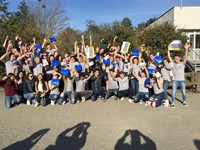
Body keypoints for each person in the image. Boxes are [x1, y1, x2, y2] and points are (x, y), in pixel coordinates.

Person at [168, 42, 189, 108]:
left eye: (177, 58)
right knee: (173, 92)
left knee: (183, 92)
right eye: (175, 58)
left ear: (180, 58)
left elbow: (186, 57)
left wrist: (186, 49)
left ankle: (184, 101)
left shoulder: (182, 63)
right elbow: (169, 57)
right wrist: (168, 49)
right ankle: (173, 103)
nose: (176, 59)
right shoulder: (173, 63)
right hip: (175, 80)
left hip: (182, 80)